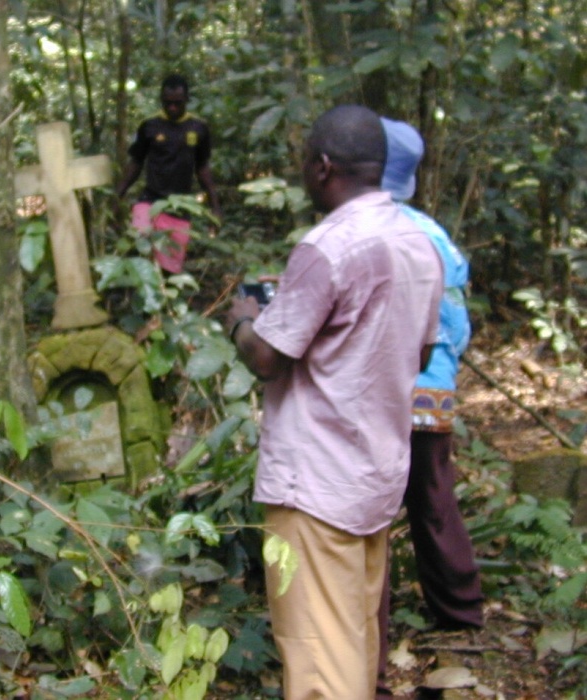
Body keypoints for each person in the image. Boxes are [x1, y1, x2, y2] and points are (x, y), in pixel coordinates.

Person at [225, 104, 444, 699]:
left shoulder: (327, 247)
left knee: (319, 658)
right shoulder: (417, 242)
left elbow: (269, 356)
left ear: (322, 167)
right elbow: (420, 356)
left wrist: (244, 321)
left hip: (316, 483)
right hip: (374, 473)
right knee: (352, 637)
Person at [375, 118, 483, 698]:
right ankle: (460, 608)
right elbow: (457, 322)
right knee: (434, 497)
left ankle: (372, 631)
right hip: (433, 389)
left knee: (372, 511)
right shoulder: (433, 233)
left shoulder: (369, 229)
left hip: (386, 387)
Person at [117, 74, 220, 274]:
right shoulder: (149, 125)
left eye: (177, 103)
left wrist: (215, 206)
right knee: (141, 249)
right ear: (161, 100)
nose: (172, 107)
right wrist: (118, 193)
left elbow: (202, 168)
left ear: (186, 100)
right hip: (150, 201)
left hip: (180, 207)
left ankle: (164, 301)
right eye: (167, 103)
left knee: (170, 270)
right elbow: (136, 162)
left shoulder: (198, 128)